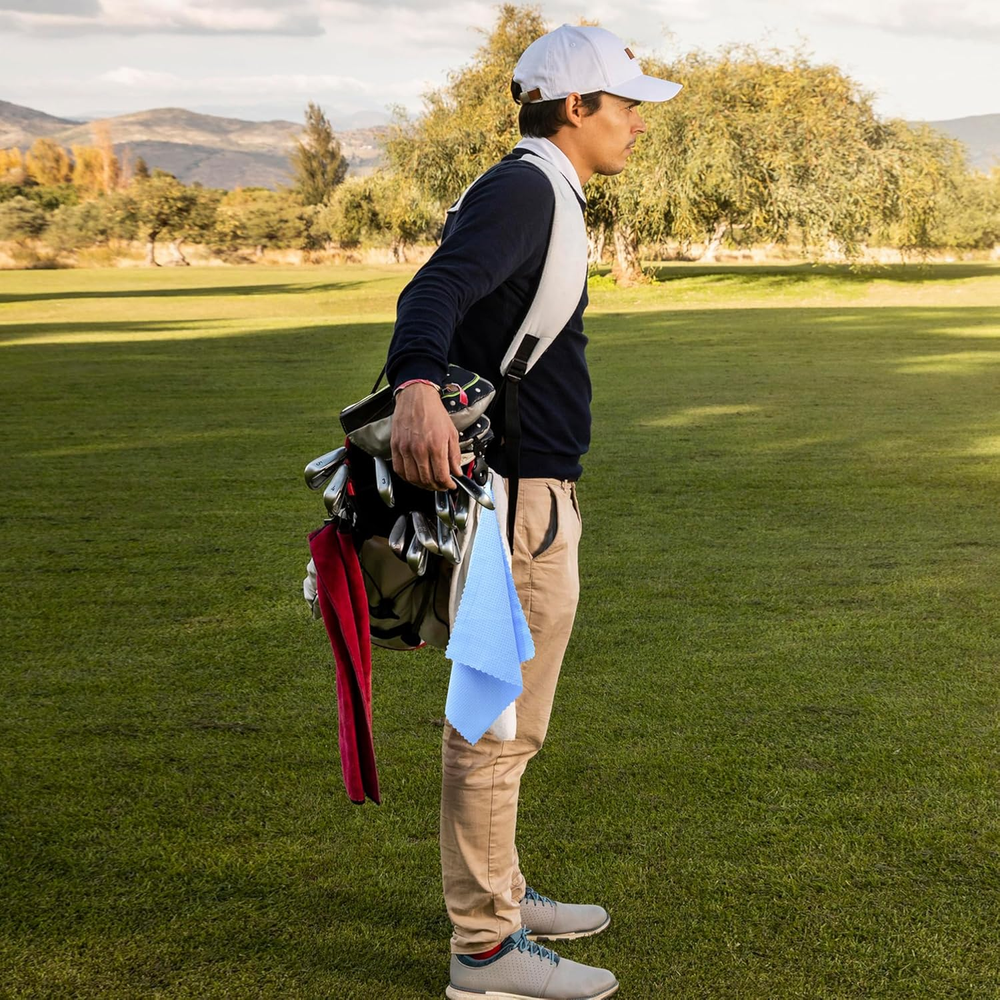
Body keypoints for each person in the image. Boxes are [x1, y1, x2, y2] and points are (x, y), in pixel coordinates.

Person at [385, 24, 682, 1000]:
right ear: (575, 107)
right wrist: (415, 386)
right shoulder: (525, 189)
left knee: (511, 722)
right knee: (493, 724)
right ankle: (484, 950)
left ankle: (501, 897)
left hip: (529, 496)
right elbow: (435, 289)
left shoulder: (542, 188)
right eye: (626, 104)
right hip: (512, 504)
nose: (638, 122)